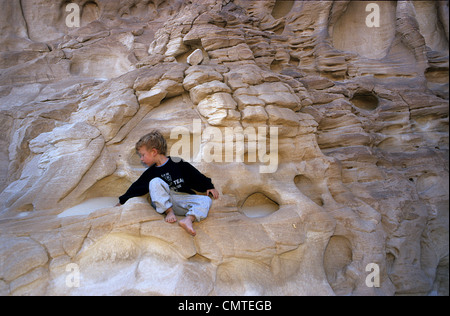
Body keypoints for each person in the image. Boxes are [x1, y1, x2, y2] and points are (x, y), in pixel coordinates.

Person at [117, 130, 219, 236]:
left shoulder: (177, 162)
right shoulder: (151, 172)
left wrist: (209, 186)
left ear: (154, 152)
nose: (141, 159)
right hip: (165, 203)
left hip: (181, 200)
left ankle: (189, 219)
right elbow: (137, 187)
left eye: (143, 155)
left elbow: (194, 175)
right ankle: (169, 212)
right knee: (154, 182)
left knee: (206, 200)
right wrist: (122, 201)